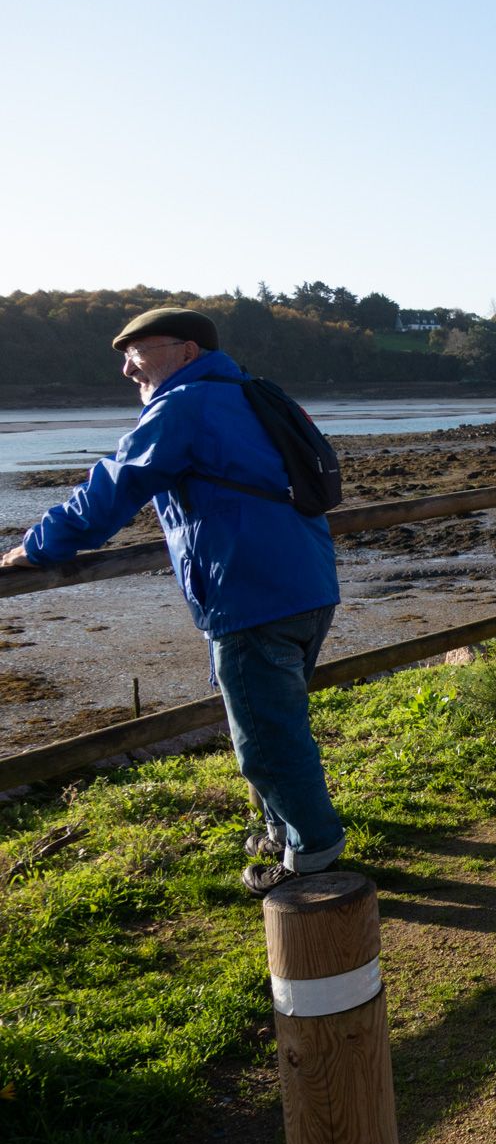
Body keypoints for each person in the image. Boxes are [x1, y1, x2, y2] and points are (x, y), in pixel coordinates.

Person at [1, 308, 343, 897]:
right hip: (306, 581)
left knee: (265, 738)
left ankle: (313, 856)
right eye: (123, 356)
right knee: (276, 720)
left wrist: (38, 546)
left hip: (250, 591)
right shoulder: (250, 393)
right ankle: (281, 830)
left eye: (138, 352)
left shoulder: (184, 405)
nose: (127, 368)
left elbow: (115, 486)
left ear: (187, 351)